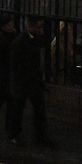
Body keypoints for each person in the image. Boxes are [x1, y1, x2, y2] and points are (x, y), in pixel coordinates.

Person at [8, 15, 51, 146]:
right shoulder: (20, 42)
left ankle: (40, 136)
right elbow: (16, 65)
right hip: (24, 81)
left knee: (39, 109)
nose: (40, 30)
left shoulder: (35, 39)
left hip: (33, 81)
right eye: (38, 27)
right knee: (18, 109)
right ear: (30, 26)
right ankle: (14, 135)